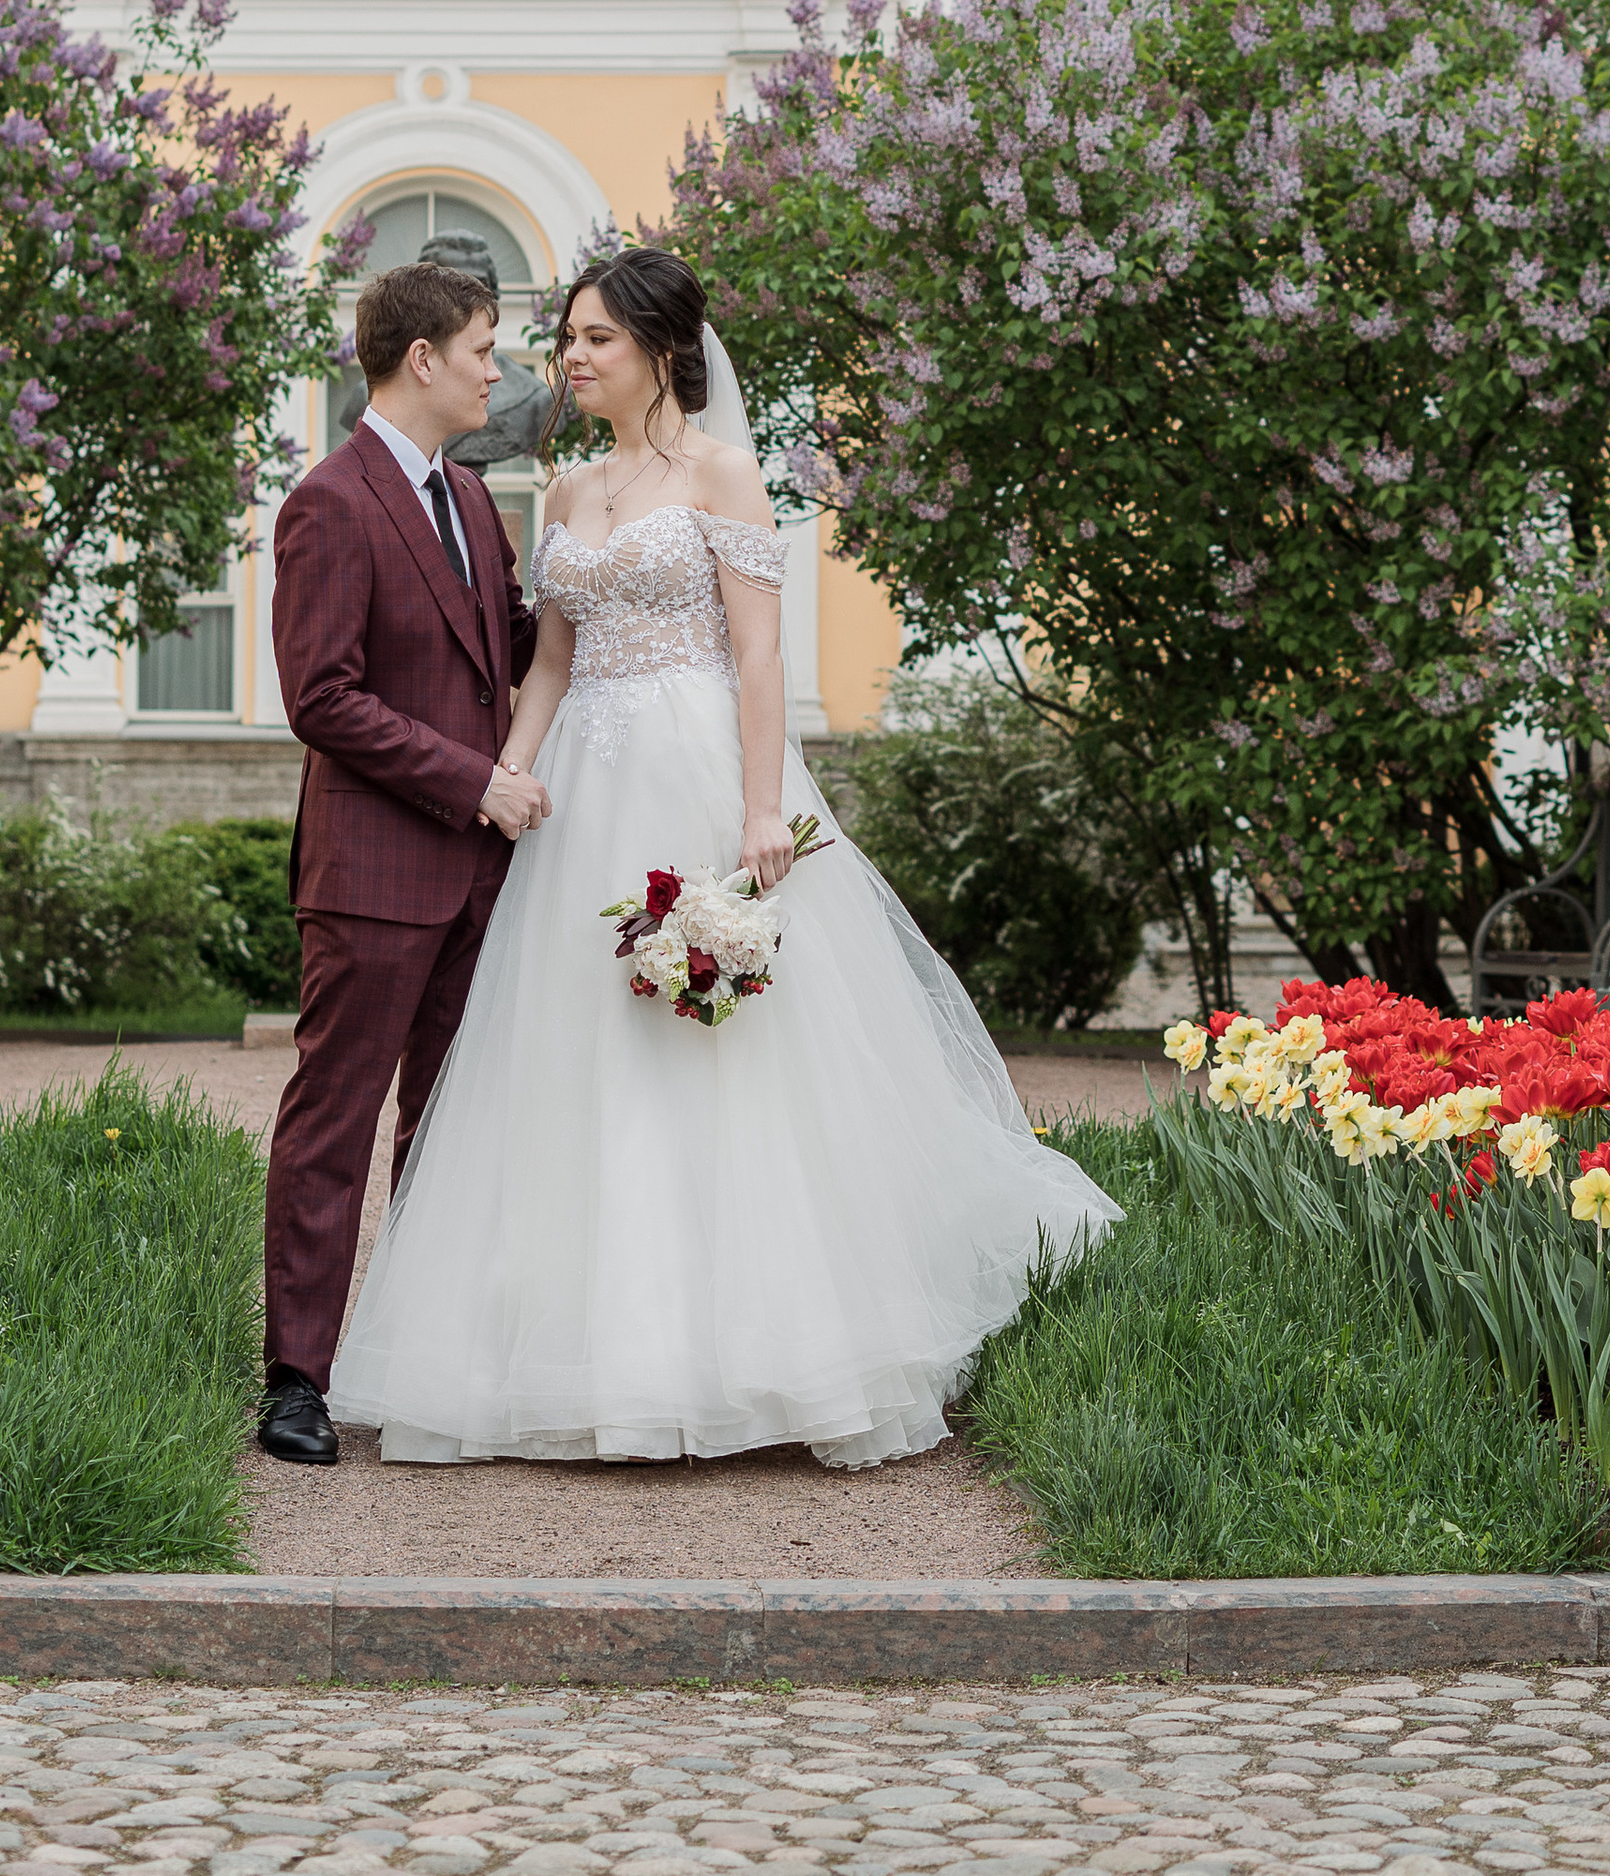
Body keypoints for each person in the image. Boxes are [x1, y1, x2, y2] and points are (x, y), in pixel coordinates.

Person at [329, 243, 1119, 1468]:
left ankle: (755, 1352)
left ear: (658, 349)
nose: (568, 361)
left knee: (722, 1061)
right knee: (569, 1055)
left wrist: (759, 811)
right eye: (566, 341)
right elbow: (550, 658)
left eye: (594, 339)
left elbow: (758, 658)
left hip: (696, 770)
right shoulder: (571, 491)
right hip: (585, 791)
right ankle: (565, 1351)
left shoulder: (726, 476)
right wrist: (512, 778)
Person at [257, 255, 546, 1468]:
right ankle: (296, 1383)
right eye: (484, 347)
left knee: (448, 1123)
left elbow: (517, 650)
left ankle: (420, 1361)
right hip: (375, 877)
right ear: (420, 357)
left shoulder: (475, 503)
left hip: (482, 878)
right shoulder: (328, 501)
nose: (500, 370)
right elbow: (321, 697)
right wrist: (473, 780)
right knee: (335, 1120)